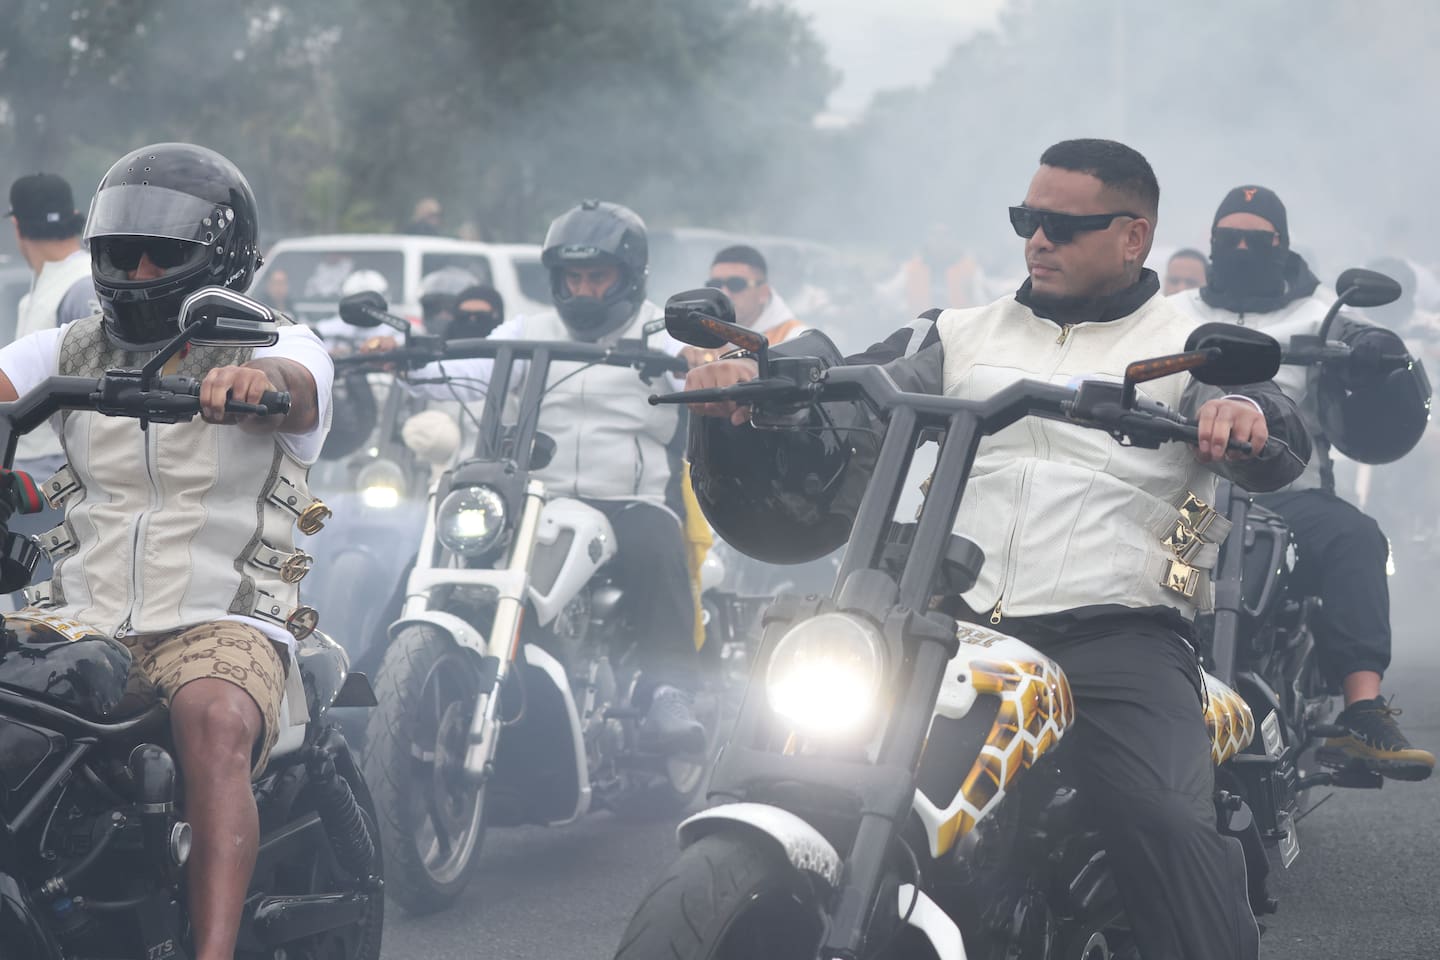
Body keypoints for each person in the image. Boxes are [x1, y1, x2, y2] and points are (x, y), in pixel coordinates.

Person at [685, 139, 1313, 960]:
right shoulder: (957, 331)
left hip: (1114, 634)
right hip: (941, 618)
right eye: (1027, 219)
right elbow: (844, 377)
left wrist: (1242, 415)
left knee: (1163, 818)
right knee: (791, 744)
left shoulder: (1189, 346)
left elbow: (1274, 421)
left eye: (1062, 223)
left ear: (1133, 236)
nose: (1037, 239)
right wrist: (755, 379)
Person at [0, 142, 332, 960]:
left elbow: (302, 387)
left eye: (163, 256)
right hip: (79, 618)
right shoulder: (67, 345)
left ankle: (211, 952)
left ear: (215, 260)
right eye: (121, 254)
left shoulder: (276, 339)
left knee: (212, 717)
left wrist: (261, 384)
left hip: (216, 615)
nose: (140, 272)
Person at [368, 199, 703, 754]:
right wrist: (403, 360)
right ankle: (376, 680)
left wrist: (708, 357)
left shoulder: (663, 334)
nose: (585, 290)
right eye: (574, 277)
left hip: (628, 499)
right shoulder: (529, 329)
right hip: (533, 498)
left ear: (629, 276)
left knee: (659, 543)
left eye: (599, 277)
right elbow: (464, 370)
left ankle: (671, 692)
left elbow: (705, 360)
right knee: (447, 546)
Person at [1171, 186, 1435, 781]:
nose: (1240, 249)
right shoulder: (1177, 312)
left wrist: (1372, 347)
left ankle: (1362, 709)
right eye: (1228, 239)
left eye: (1255, 240)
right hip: (1190, 497)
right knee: (1133, 557)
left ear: (1281, 245)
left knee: (1357, 538)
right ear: (1212, 244)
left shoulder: (1320, 313)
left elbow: (1369, 338)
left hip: (1288, 497)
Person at [4, 173, 99, 603]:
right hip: (30, 482)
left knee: (51, 616)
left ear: (16, 227)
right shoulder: (54, 287)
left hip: (62, 483)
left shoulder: (82, 287)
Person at [876, 222, 984, 315]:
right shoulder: (912, 269)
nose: (940, 239)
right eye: (935, 234)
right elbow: (889, 295)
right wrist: (871, 289)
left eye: (945, 235)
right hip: (921, 332)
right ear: (927, 238)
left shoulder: (969, 269)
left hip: (958, 330)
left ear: (954, 239)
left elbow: (983, 302)